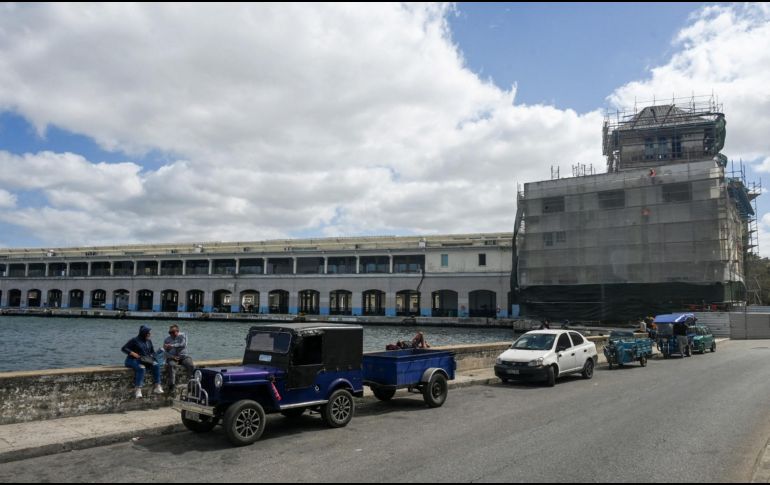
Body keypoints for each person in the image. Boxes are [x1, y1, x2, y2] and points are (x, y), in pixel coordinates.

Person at [122, 325, 163, 398]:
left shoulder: (149, 341)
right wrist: (132, 353)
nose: (150, 335)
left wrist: (153, 355)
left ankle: (157, 386)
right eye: (148, 333)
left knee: (156, 365)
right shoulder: (134, 340)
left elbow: (152, 351)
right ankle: (138, 389)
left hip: (145, 360)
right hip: (132, 360)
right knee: (141, 368)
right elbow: (124, 348)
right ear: (144, 333)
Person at [164, 324, 195, 392]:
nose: (171, 334)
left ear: (178, 331)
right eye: (170, 332)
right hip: (172, 357)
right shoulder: (167, 340)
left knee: (191, 365)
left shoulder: (183, 335)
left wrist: (172, 345)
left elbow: (183, 344)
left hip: (183, 356)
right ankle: (172, 385)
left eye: (173, 332)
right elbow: (164, 352)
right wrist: (172, 356)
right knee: (171, 365)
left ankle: (191, 384)